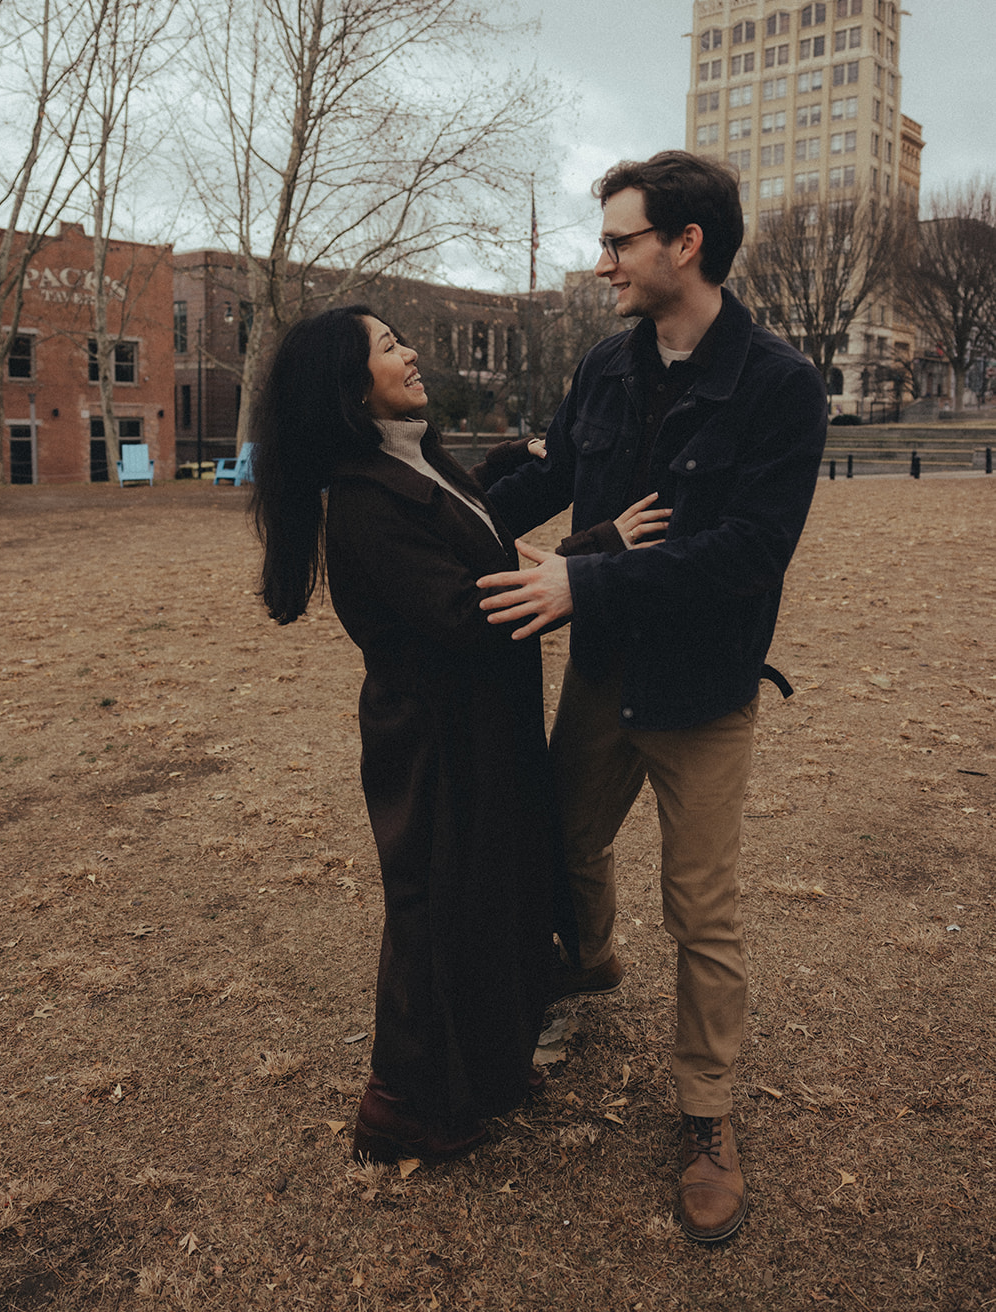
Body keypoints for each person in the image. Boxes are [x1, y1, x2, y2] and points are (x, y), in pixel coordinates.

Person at [476, 151, 828, 1243]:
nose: (600, 265)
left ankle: (706, 1116)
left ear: (684, 244)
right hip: (601, 677)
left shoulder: (778, 386)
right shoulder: (602, 366)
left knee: (702, 912)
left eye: (618, 241)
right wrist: (415, 487)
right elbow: (544, 482)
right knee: (560, 846)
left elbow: (744, 554)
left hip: (703, 693)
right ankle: (584, 964)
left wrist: (583, 577)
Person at [251, 306, 597, 1165]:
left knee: (492, 900)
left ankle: (485, 1069)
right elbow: (461, 610)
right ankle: (399, 1101)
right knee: (435, 912)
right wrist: (596, 558)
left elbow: (463, 524)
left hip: (483, 724)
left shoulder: (413, 458)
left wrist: (512, 464)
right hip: (433, 740)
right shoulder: (362, 502)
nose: (409, 354)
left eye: (401, 339)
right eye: (387, 346)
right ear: (350, 386)